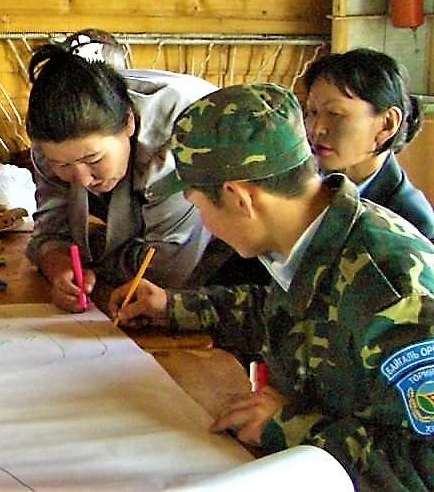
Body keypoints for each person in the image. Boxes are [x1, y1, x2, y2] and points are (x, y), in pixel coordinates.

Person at [110, 83, 434, 491]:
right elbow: (293, 319)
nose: (204, 222)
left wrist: (291, 426)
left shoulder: (391, 284)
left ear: (240, 198)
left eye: (199, 205)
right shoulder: (311, 236)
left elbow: (423, 464)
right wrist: (172, 307)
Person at [24, 34, 219, 312]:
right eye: (63, 166)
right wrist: (58, 266)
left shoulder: (180, 133)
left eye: (93, 159)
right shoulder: (51, 140)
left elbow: (169, 267)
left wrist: (97, 259)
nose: (82, 181)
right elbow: (49, 232)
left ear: (128, 122)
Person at [303, 48, 433, 238]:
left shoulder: (412, 224)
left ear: (387, 124)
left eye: (335, 114)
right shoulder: (303, 184)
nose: (316, 128)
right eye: (312, 112)